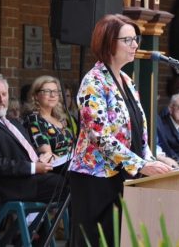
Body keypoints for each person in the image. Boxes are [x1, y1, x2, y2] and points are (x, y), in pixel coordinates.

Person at [68, 14, 172, 247]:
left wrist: (153, 161)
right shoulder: (93, 82)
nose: (135, 45)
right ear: (108, 43)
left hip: (124, 174)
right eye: (128, 40)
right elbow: (100, 136)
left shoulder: (126, 79)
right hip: (96, 179)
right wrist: (142, 165)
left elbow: (138, 131)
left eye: (136, 39)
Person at [0, 72, 68, 203]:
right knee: (66, 185)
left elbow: (28, 150)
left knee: (78, 178)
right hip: (13, 185)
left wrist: (43, 158)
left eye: (4, 94)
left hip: (32, 177)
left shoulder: (13, 122)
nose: (1, 100)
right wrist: (33, 167)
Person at [23, 75, 74, 173]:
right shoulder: (35, 120)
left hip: (70, 168)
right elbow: (47, 155)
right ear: (35, 96)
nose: (53, 95)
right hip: (56, 174)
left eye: (55, 91)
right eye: (47, 91)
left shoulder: (58, 118)